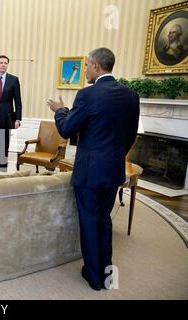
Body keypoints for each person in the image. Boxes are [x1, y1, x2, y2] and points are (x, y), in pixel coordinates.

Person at [47, 47, 139, 291]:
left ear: (97, 66)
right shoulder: (131, 96)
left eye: (87, 65)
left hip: (89, 172)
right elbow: (130, 137)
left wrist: (60, 111)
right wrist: (116, 157)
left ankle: (94, 276)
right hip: (113, 171)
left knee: (89, 220)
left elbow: (67, 129)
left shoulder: (87, 95)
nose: (85, 69)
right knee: (103, 220)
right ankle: (107, 274)